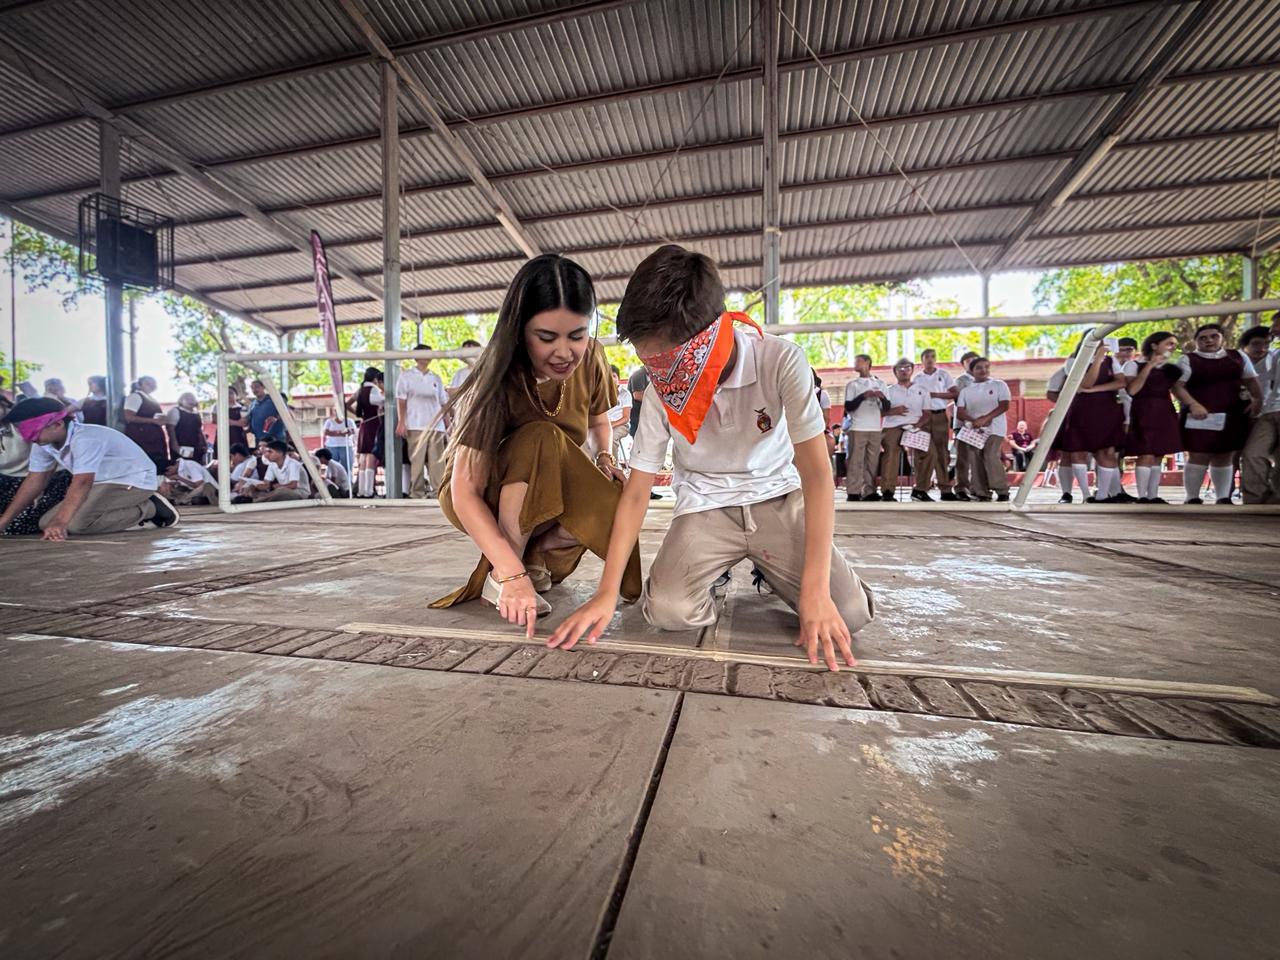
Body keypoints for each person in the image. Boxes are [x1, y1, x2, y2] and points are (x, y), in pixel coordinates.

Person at [549, 244, 875, 671]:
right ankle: (718, 571)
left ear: (713, 337)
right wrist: (607, 592)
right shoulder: (663, 387)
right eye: (650, 364)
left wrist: (814, 590)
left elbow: (816, 475)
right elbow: (636, 493)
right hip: (705, 505)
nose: (660, 377)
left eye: (667, 363)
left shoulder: (779, 359)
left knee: (849, 613)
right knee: (668, 611)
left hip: (777, 498)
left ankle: (775, 571)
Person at [428, 254, 641, 627]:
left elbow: (597, 420)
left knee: (618, 494)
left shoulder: (592, 356)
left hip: (550, 484)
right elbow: (465, 492)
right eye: (546, 337)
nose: (564, 352)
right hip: (484, 493)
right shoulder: (495, 377)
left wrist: (606, 457)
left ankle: (534, 555)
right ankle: (505, 571)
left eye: (576, 335)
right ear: (520, 330)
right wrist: (512, 577)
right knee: (542, 437)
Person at [0, 397, 178, 539]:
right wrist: (3, 522)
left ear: (57, 424)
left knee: (77, 525)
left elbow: (82, 482)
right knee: (45, 524)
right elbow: (34, 481)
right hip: (99, 483)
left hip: (133, 480)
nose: (25, 437)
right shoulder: (43, 444)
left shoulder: (86, 438)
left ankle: (149, 508)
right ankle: (135, 507)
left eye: (30, 430)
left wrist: (61, 521)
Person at [1173, 323, 1261, 504]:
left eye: (1214, 336)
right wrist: (1193, 404)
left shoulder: (1237, 357)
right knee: (1198, 454)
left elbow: (1251, 381)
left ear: (1222, 338)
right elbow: (1177, 386)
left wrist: (1258, 400)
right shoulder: (1187, 360)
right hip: (1198, 415)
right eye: (1203, 338)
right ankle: (1192, 498)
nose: (1209, 341)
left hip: (1232, 413)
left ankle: (1223, 498)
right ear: (1196, 341)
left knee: (1225, 454)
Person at [1048, 342, 1126, 503]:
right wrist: (1098, 359)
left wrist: (1096, 389)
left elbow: (1121, 382)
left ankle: (1103, 495)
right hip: (1080, 410)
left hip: (1105, 410)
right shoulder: (1073, 362)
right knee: (1076, 451)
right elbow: (1086, 383)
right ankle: (1084, 495)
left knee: (1107, 451)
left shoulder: (1111, 362)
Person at [1, 393, 74, 535]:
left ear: (4, 405)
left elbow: (41, 473)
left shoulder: (27, 424)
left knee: (17, 526)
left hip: (46, 479)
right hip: (8, 481)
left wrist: (37, 493)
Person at [1123, 331, 1182, 504]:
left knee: (1158, 454)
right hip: (1143, 410)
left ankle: (1153, 495)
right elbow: (1132, 390)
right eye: (1169, 343)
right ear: (1154, 345)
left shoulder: (1171, 368)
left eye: (1174, 344)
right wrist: (1150, 366)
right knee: (1146, 453)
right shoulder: (1134, 365)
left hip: (1165, 409)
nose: (1172, 347)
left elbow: (1177, 389)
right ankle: (1142, 495)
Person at [396, 345, 449, 499]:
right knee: (417, 462)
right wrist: (401, 422)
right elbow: (401, 400)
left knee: (437, 462)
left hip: (436, 426)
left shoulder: (436, 378)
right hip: (415, 425)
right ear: (416, 356)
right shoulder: (406, 376)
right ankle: (416, 493)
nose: (428, 356)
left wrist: (447, 425)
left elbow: (443, 403)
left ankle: (439, 493)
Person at [955, 358, 1012, 501]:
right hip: (974, 430)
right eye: (979, 368)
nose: (983, 370)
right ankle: (982, 492)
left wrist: (985, 419)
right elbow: (960, 412)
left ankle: (1002, 489)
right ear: (972, 371)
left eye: (986, 367)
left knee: (990, 455)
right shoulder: (966, 391)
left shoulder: (999, 385)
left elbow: (1004, 405)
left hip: (995, 429)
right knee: (975, 459)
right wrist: (975, 421)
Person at [1241, 316, 1280, 504]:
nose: (1273, 329)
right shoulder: (1275, 355)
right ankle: (1256, 500)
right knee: (1252, 453)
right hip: (1268, 410)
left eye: (1276, 324)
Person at [879, 359, 929, 501]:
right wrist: (893, 411)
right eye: (900, 368)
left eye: (907, 367)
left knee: (929, 452)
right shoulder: (888, 391)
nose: (903, 370)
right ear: (895, 372)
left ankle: (920, 489)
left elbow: (927, 414)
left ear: (912, 370)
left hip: (916, 425)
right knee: (891, 451)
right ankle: (888, 491)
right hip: (893, 426)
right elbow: (879, 412)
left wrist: (916, 427)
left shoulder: (921, 390)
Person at [911, 349, 957, 501]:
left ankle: (945, 488)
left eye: (932, 357)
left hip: (939, 415)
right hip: (923, 417)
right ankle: (921, 487)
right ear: (922, 360)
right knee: (923, 453)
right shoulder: (917, 378)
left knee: (942, 453)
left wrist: (934, 394)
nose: (930, 360)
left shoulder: (943, 375)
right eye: (927, 357)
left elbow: (954, 393)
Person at [842, 354, 888, 501]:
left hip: (875, 427)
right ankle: (853, 491)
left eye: (859, 361)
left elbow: (886, 408)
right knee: (856, 460)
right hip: (858, 426)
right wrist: (863, 396)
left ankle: (870, 490)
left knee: (872, 461)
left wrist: (882, 398)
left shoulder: (880, 383)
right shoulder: (853, 384)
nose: (856, 364)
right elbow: (848, 406)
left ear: (868, 363)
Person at [122, 376, 169, 474]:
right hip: (143, 441)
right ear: (139, 385)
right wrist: (153, 421)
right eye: (148, 383)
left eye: (154, 384)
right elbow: (129, 417)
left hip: (155, 441)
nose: (152, 386)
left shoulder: (152, 399)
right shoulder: (135, 396)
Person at [349, 367, 384, 498]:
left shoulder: (360, 390)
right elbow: (383, 401)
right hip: (373, 424)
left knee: (363, 457)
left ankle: (362, 490)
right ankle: (369, 490)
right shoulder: (373, 389)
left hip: (364, 424)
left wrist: (361, 416)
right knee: (371, 456)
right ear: (375, 379)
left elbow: (347, 404)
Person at [949, 351, 980, 501]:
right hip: (963, 424)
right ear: (963, 364)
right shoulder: (961, 380)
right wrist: (969, 418)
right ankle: (961, 487)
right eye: (967, 360)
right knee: (963, 457)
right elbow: (957, 400)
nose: (971, 362)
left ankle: (977, 487)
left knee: (978, 457)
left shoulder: (986, 380)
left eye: (974, 359)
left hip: (981, 425)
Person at [164, 391, 208, 463]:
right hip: (182, 446)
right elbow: (170, 429)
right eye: (187, 398)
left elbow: (199, 430)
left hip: (197, 447)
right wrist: (175, 446)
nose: (190, 400)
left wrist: (205, 444)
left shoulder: (196, 414)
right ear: (181, 400)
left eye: (192, 398)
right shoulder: (175, 411)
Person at [321, 408, 356, 493]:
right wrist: (339, 433)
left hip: (346, 445)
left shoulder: (349, 421)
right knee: (332, 467)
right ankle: (333, 486)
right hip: (332, 446)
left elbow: (353, 431)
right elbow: (325, 432)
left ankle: (348, 488)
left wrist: (348, 432)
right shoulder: (329, 421)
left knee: (347, 467)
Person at [606, 365, 632, 465]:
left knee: (610, 438)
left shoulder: (625, 394)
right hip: (604, 424)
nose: (611, 379)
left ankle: (613, 468)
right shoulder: (601, 394)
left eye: (614, 376)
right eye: (608, 376)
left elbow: (626, 418)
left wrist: (611, 425)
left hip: (621, 425)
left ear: (619, 379)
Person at [246, 379, 287, 443]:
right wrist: (251, 444)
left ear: (263, 387)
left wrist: (276, 418)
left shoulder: (274, 400)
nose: (254, 390)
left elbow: (286, 413)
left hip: (275, 439)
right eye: (252, 388)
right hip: (259, 441)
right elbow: (249, 424)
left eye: (256, 387)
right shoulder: (252, 404)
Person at [218, 385, 250, 449]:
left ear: (236, 395)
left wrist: (244, 423)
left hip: (239, 435)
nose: (228, 395)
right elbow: (216, 420)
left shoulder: (242, 407)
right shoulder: (219, 406)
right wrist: (237, 423)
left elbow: (245, 423)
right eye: (226, 393)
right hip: (223, 435)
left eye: (230, 393)